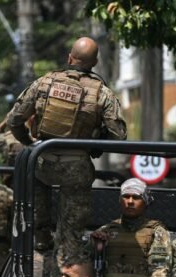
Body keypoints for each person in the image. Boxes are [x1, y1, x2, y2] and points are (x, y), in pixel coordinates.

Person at [7, 36, 127, 260]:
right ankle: (63, 274)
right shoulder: (102, 92)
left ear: (69, 57)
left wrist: (29, 144)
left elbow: (14, 120)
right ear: (94, 63)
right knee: (71, 235)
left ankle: (40, 238)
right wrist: (96, 139)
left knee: (32, 195)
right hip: (76, 168)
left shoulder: (44, 82)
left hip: (41, 162)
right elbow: (119, 136)